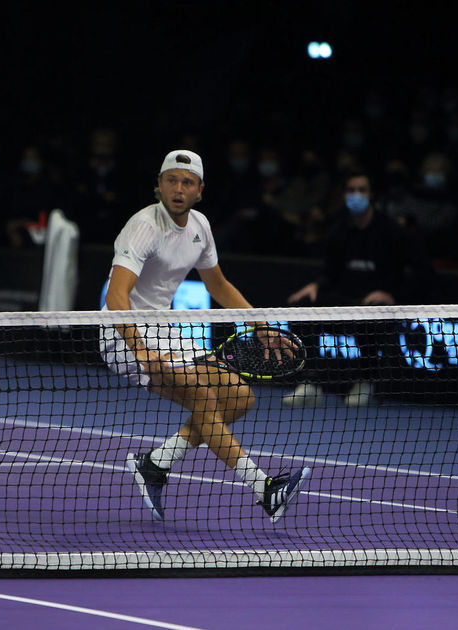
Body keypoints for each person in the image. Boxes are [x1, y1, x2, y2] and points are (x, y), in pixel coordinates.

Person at [103, 149, 311, 523]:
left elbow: (219, 285)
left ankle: (155, 464)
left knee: (240, 398)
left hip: (163, 329)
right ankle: (265, 489)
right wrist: (142, 352)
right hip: (121, 333)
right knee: (202, 395)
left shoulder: (199, 227)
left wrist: (260, 326)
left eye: (187, 182)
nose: (178, 189)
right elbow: (116, 295)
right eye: (171, 180)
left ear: (200, 190)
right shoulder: (144, 226)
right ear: (159, 186)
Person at [284, 170, 433, 407]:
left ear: (371, 194)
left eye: (361, 190)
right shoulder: (339, 230)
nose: (356, 195)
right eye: (351, 190)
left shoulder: (392, 231)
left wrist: (392, 295)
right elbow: (331, 272)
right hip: (344, 300)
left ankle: (367, 381)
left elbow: (422, 272)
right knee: (300, 307)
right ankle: (310, 382)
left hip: (377, 306)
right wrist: (316, 285)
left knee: (371, 313)